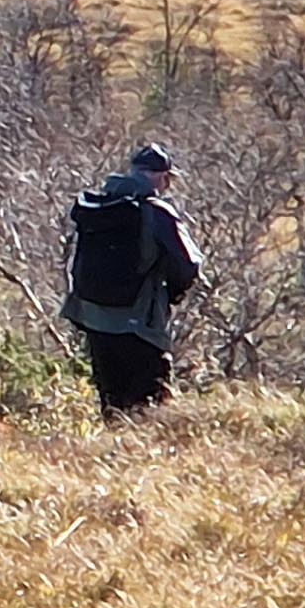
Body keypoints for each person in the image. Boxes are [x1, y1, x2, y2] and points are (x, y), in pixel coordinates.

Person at [63, 144, 203, 416]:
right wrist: (171, 295)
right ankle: (140, 454)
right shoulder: (155, 212)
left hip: (95, 320)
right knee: (150, 405)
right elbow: (189, 264)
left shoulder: (96, 206)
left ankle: (110, 452)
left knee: (112, 401)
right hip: (140, 323)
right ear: (162, 177)